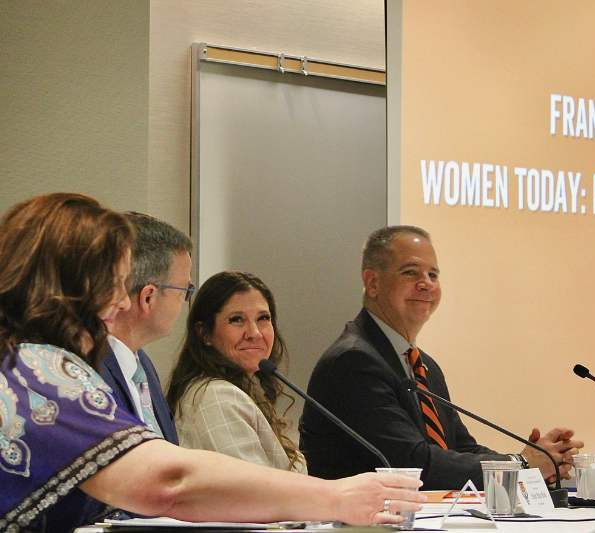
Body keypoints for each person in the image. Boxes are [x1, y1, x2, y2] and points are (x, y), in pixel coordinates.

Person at [0, 194, 424, 533]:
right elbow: (167, 482)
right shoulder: (35, 368)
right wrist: (335, 497)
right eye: (113, 281)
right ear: (70, 283)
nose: (122, 301)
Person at [300, 225, 584, 490]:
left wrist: (533, 464)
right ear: (373, 283)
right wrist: (520, 466)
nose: (427, 284)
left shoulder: (423, 365)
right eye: (411, 272)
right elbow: (413, 464)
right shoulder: (353, 361)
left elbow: (461, 449)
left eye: (433, 275)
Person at [167, 271, 305, 473]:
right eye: (237, 319)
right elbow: (257, 496)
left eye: (263, 318)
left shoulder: (232, 390)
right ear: (204, 332)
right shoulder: (217, 398)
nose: (254, 333)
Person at [101, 212, 193, 445]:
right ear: (148, 297)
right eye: (184, 290)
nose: (185, 301)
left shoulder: (143, 367)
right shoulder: (87, 370)